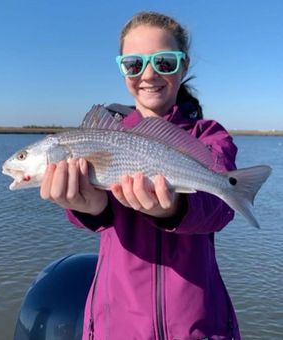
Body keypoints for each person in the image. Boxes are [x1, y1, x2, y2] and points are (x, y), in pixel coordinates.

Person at [40, 11, 241, 340]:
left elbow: (220, 208)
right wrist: (86, 207)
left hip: (200, 326)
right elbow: (97, 214)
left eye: (164, 62)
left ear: (184, 65)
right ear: (122, 69)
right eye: (134, 64)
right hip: (117, 325)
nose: (148, 74)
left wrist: (174, 208)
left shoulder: (209, 136)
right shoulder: (102, 133)